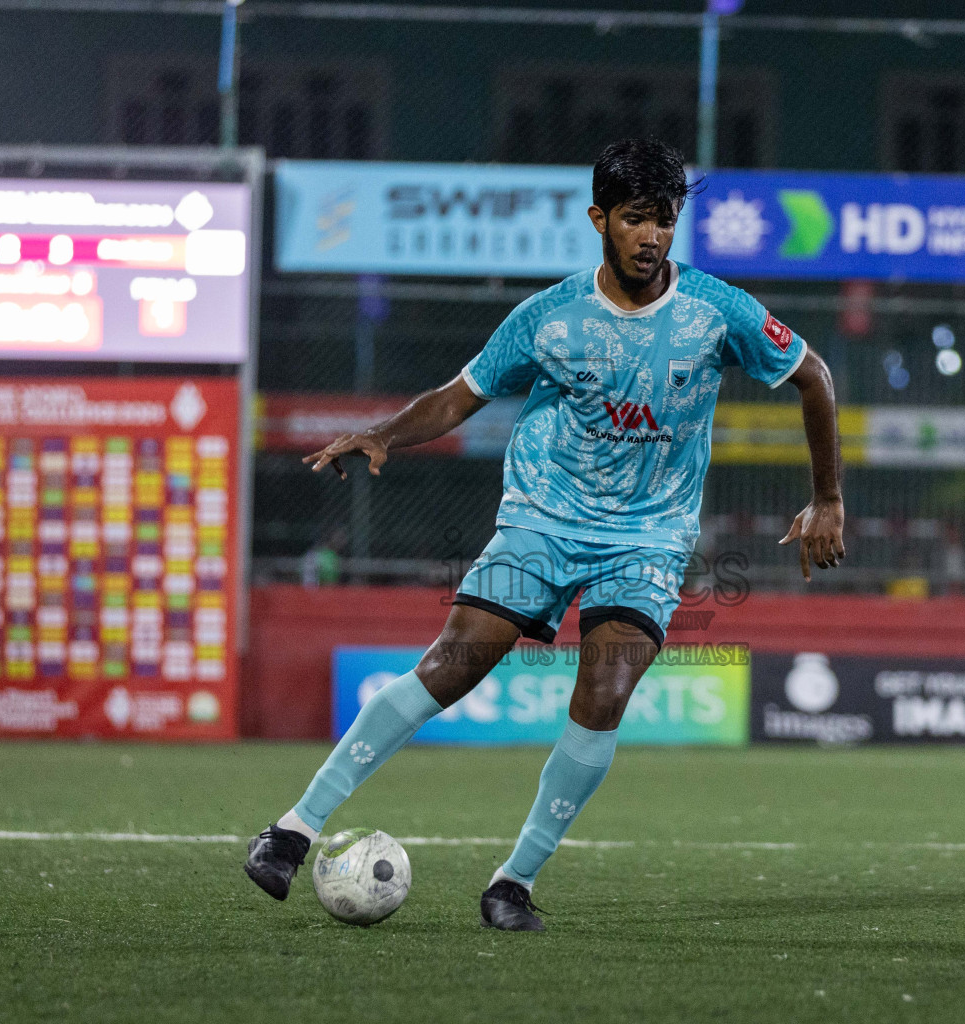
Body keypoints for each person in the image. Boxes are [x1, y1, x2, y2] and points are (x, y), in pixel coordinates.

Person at [242, 138, 845, 930]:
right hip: (543, 519)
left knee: (605, 691)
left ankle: (513, 882)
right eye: (635, 219)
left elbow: (814, 376)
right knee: (451, 666)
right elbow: (461, 395)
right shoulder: (550, 317)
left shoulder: (717, 311)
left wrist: (827, 497)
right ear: (599, 218)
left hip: (648, 539)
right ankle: (292, 830)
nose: (651, 237)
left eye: (664, 220)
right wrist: (386, 432)